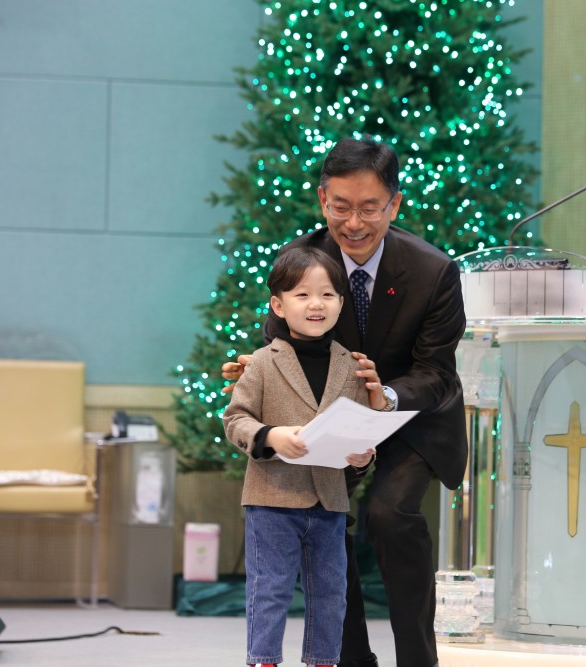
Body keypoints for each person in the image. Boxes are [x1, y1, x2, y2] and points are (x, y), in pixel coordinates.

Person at [224, 136, 467, 667]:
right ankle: (349, 659)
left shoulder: (434, 271)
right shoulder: (301, 260)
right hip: (328, 422)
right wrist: (256, 370)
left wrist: (385, 396)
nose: (353, 223)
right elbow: (281, 348)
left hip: (410, 417)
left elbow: (437, 374)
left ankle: (418, 661)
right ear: (322, 200)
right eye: (340, 207)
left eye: (369, 208)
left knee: (389, 514)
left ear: (394, 205)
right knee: (322, 520)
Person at [223, 246, 388, 667]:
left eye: (327, 294)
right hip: (272, 499)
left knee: (332, 591)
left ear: (341, 303)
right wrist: (272, 436)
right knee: (270, 588)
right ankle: (263, 660)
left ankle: (323, 660)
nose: (316, 304)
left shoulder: (352, 366)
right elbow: (235, 419)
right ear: (279, 305)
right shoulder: (263, 363)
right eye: (302, 294)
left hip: (329, 501)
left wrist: (361, 456)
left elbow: (362, 430)